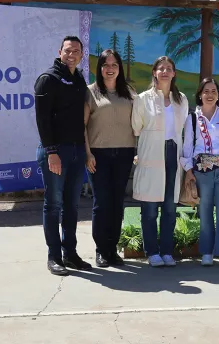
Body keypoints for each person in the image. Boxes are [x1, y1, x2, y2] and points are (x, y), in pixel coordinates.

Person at [34, 36, 93, 276]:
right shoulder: (48, 79)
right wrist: (51, 152)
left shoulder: (78, 78)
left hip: (77, 151)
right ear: (60, 52)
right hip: (56, 152)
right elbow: (42, 120)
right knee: (53, 205)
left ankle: (70, 254)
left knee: (72, 206)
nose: (72, 55)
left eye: (76, 51)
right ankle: (54, 256)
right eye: (68, 50)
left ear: (81, 55)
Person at [132, 56, 189, 267]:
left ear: (174, 73)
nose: (165, 72)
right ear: (154, 72)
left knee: (169, 208)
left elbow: (183, 127)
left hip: (173, 153)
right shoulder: (142, 99)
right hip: (151, 153)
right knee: (149, 208)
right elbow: (136, 127)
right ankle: (152, 252)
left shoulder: (181, 99)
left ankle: (166, 251)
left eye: (169, 68)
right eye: (161, 68)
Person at [181, 78, 219, 270]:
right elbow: (187, 146)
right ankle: (207, 253)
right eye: (206, 91)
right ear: (200, 94)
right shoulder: (192, 118)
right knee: (205, 212)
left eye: (214, 91)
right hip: (201, 171)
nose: (210, 95)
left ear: (218, 95)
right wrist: (188, 170)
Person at [84, 49, 136, 268]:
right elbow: (82, 126)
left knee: (117, 203)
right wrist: (87, 154)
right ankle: (101, 250)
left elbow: (139, 123)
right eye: (106, 65)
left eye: (114, 65)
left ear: (120, 68)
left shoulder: (129, 92)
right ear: (100, 68)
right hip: (99, 155)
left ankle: (112, 249)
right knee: (102, 203)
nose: (110, 69)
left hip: (124, 153)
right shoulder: (90, 92)